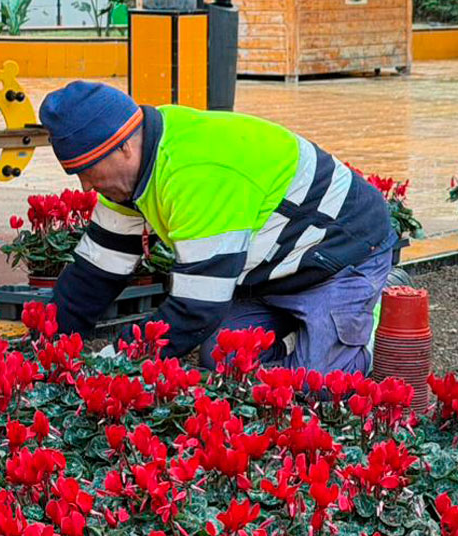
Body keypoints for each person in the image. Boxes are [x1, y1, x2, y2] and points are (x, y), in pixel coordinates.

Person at [39, 81, 396, 370]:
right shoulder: (133, 170)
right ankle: (307, 328)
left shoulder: (196, 174)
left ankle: (375, 307)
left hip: (342, 255)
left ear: (122, 148)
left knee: (319, 384)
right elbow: (96, 272)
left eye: (86, 170)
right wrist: (48, 343)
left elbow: (197, 306)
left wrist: (116, 363)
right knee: (223, 360)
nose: (85, 186)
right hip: (272, 271)